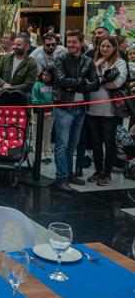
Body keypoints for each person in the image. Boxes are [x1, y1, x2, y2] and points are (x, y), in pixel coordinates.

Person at [53, 30, 100, 191]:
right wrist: (82, 81)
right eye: (69, 42)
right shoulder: (60, 59)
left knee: (73, 144)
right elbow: (61, 80)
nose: (70, 45)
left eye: (74, 42)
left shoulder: (88, 61)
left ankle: (69, 173)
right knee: (62, 144)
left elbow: (96, 83)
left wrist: (79, 83)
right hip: (64, 107)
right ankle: (61, 177)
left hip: (81, 107)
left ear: (81, 43)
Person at [87, 36, 128, 186]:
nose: (104, 49)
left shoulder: (120, 62)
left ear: (114, 48)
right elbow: (86, 80)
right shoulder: (93, 62)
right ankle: (98, 171)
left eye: (108, 46)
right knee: (96, 143)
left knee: (109, 144)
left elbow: (116, 83)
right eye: (102, 46)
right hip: (92, 110)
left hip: (110, 112)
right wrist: (98, 70)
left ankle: (107, 174)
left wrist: (96, 80)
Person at [31, 66, 56, 164]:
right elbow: (34, 99)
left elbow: (56, 99)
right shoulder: (37, 84)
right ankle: (38, 154)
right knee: (36, 134)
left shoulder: (54, 86)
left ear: (52, 77)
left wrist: (51, 111)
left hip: (50, 113)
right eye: (44, 74)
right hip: (38, 113)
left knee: (47, 134)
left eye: (48, 75)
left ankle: (47, 154)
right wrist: (41, 111)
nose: (45, 77)